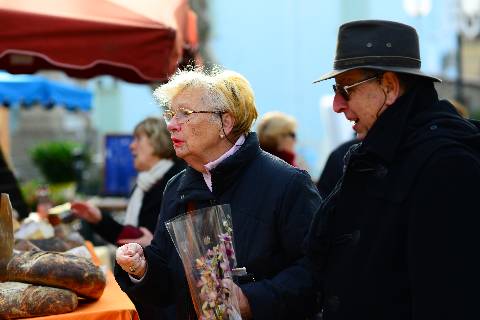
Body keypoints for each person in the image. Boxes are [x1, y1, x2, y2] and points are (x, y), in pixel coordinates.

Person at [305, 20, 480, 319]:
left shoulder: (446, 164)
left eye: (345, 90)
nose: (336, 105)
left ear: (389, 87)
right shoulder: (373, 155)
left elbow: (450, 298)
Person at [114, 68, 321, 319]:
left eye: (185, 114)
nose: (170, 124)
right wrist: (141, 267)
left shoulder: (288, 183)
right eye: (170, 114)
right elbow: (167, 279)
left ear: (225, 122)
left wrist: (250, 300)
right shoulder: (177, 187)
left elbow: (314, 271)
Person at [71, 117, 184, 248]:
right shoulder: (144, 184)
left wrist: (155, 246)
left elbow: (184, 242)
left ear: (158, 141)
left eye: (138, 139)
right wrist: (99, 219)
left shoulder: (178, 181)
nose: (132, 146)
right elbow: (131, 238)